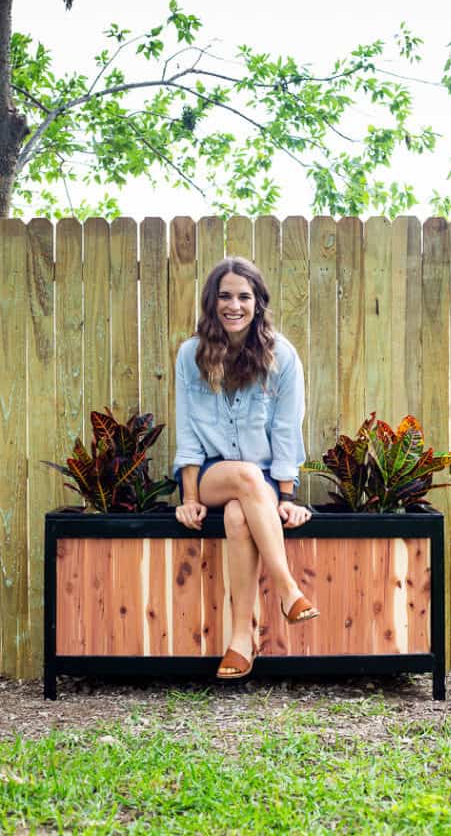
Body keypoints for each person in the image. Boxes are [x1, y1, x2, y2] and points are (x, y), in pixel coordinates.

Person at [173, 256, 319, 681]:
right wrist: (189, 498)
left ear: (257, 303)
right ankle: (287, 588)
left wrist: (287, 497)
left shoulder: (282, 357)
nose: (233, 305)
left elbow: (288, 429)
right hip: (215, 474)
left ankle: (240, 640)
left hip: (264, 482)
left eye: (243, 296)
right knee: (244, 478)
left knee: (240, 514)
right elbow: (186, 426)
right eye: (224, 296)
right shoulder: (190, 355)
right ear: (211, 301)